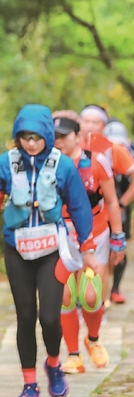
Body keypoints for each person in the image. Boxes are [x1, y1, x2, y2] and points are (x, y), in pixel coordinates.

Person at [0, 104, 99, 397]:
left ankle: (53, 364)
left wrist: (88, 247)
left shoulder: (62, 165)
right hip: (17, 249)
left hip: (51, 250)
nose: (31, 143)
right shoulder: (4, 164)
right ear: (17, 137)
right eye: (25, 137)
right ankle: (29, 383)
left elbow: (79, 207)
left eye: (37, 137)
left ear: (47, 136)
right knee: (25, 317)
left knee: (49, 317)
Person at [51, 111, 124, 374]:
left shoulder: (96, 163)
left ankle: (93, 338)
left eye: (63, 136)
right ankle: (73, 355)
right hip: (62, 235)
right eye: (54, 136)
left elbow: (112, 201)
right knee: (67, 295)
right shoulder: (48, 163)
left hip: (96, 232)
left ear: (78, 137)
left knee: (91, 296)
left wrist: (118, 237)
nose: (57, 141)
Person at [79, 105, 134, 304]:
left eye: (96, 122)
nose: (91, 126)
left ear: (104, 126)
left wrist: (122, 202)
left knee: (109, 257)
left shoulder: (114, 150)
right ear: (79, 123)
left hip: (109, 211)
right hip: (78, 216)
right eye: (87, 121)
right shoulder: (71, 146)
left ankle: (104, 298)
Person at [104, 117, 133, 304]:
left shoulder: (126, 156)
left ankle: (115, 288)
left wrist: (122, 203)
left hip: (120, 210)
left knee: (118, 247)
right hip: (99, 210)